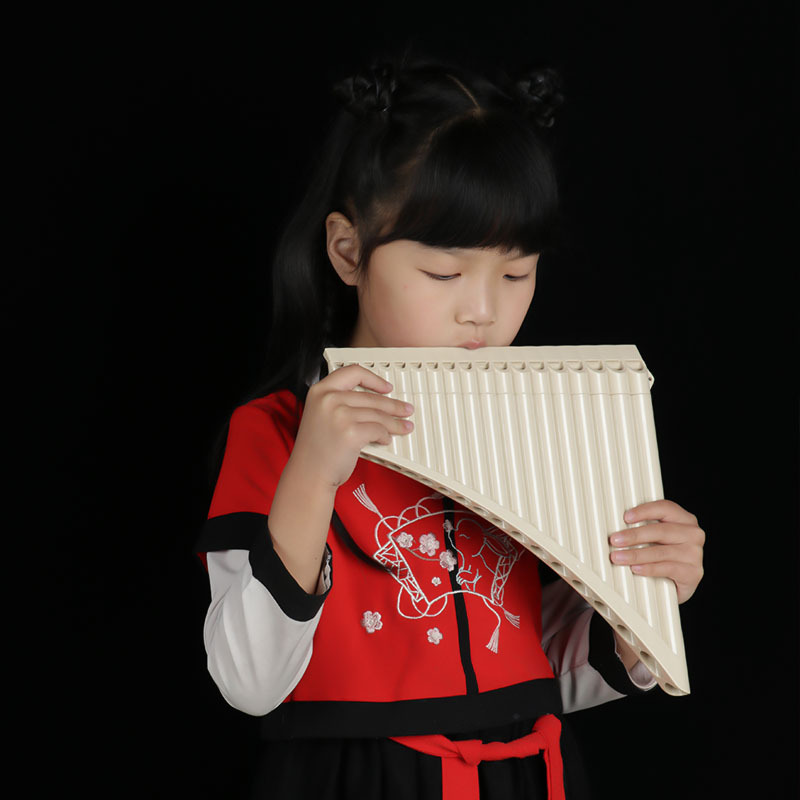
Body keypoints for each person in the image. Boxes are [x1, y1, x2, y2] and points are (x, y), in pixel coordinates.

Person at [195, 50, 705, 800]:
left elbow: (543, 669)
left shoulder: (537, 427)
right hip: (355, 780)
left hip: (528, 776)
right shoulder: (272, 432)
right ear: (349, 251)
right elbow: (250, 683)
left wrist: (640, 610)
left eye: (517, 272)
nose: (483, 311)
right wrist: (311, 475)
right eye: (444, 273)